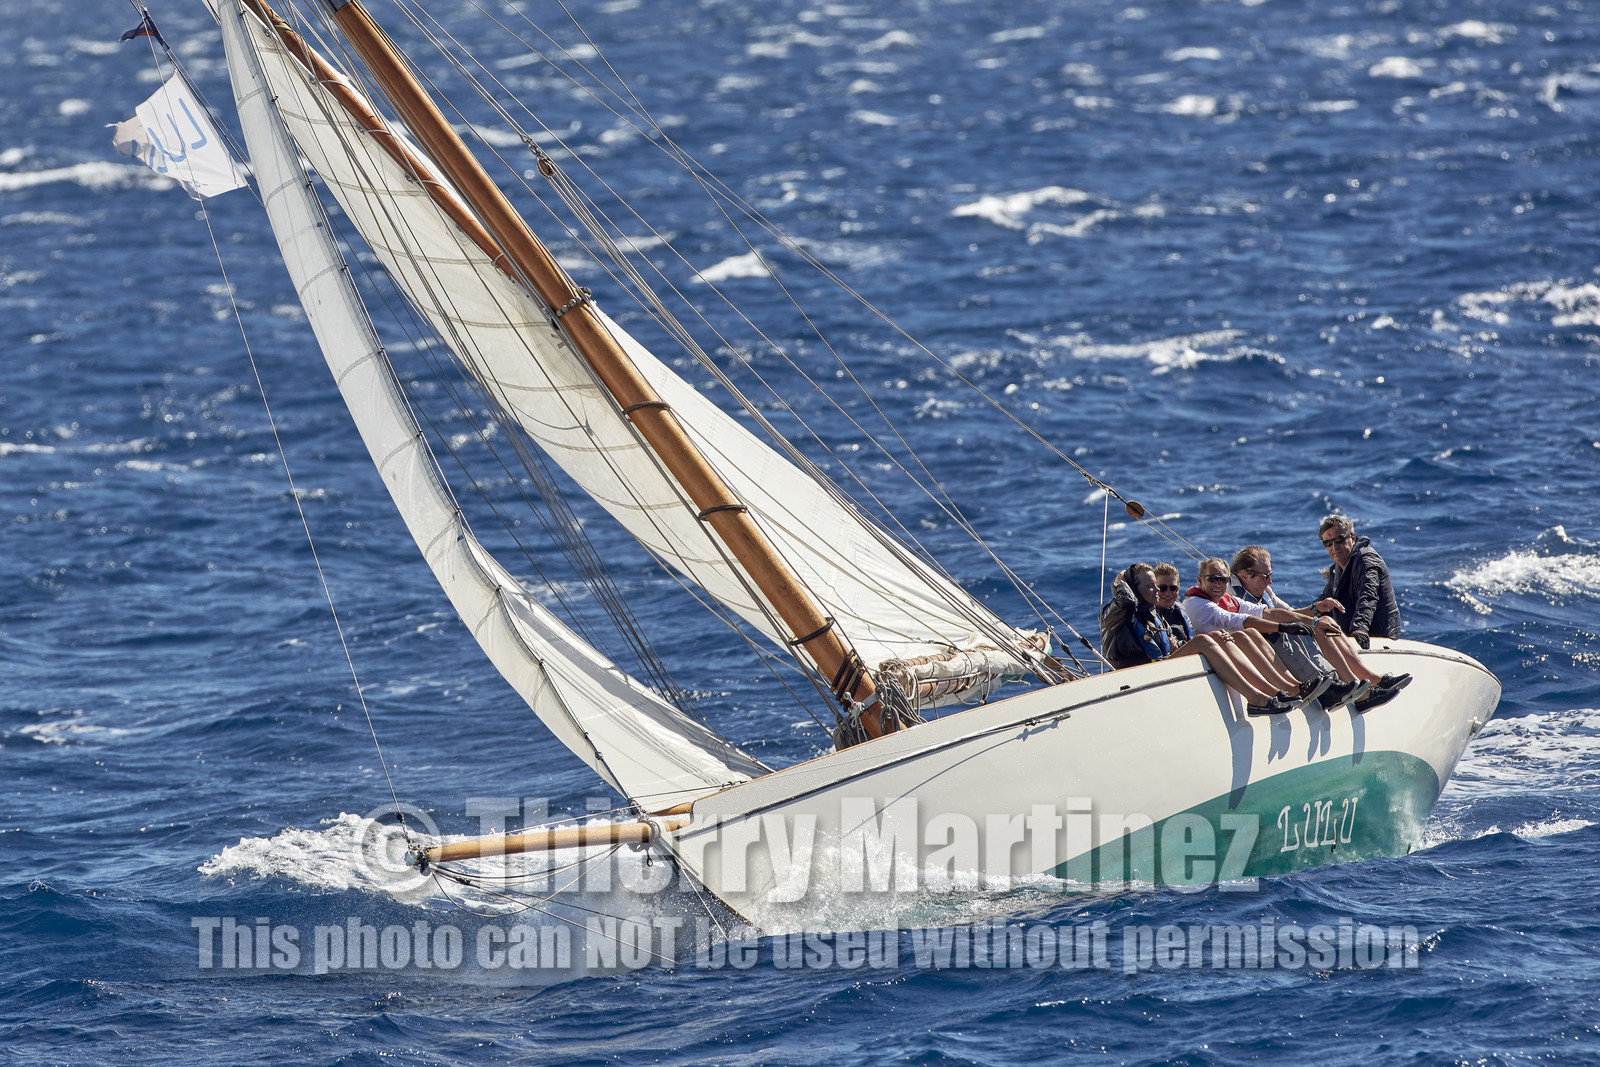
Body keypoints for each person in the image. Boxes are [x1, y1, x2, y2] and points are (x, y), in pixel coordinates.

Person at [1099, 562, 1298, 716]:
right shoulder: (1116, 614)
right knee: (1205, 641)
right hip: (1139, 675)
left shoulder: (1153, 613)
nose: (1158, 591)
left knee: (1219, 637)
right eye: (1151, 586)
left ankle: (1271, 690)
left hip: (1159, 668)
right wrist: (1119, 583)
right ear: (1133, 589)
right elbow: (1124, 601)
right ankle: (1255, 699)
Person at [1228, 546, 1403, 712]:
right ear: (1244, 575)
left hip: (1275, 633)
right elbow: (1272, 617)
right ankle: (1347, 689)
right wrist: (1313, 622)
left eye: (1270, 575)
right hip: (1262, 642)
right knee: (1303, 626)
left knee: (1325, 621)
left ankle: (1367, 679)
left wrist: (1317, 609)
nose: (1270, 581)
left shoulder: (1266, 591)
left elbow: (1290, 612)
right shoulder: (1231, 594)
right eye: (1265, 576)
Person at [1181, 557, 1332, 708]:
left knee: (1251, 633)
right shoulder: (1196, 604)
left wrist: (1314, 621)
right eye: (1213, 579)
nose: (1219, 584)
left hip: (1228, 649)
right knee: (1250, 634)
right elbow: (1239, 620)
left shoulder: (1228, 599)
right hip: (1210, 655)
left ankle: (1294, 687)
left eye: (1224, 580)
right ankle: (1284, 691)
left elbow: (1267, 613)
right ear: (1200, 580)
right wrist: (1282, 627)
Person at [1314, 515, 1402, 647]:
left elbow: (1368, 596)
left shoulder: (1367, 561)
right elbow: (1323, 604)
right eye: (1328, 543)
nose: (1334, 547)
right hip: (1350, 642)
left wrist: (1360, 628)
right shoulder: (1336, 571)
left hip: (1378, 641)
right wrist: (1297, 619)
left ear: (1353, 537)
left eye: (1339, 540)